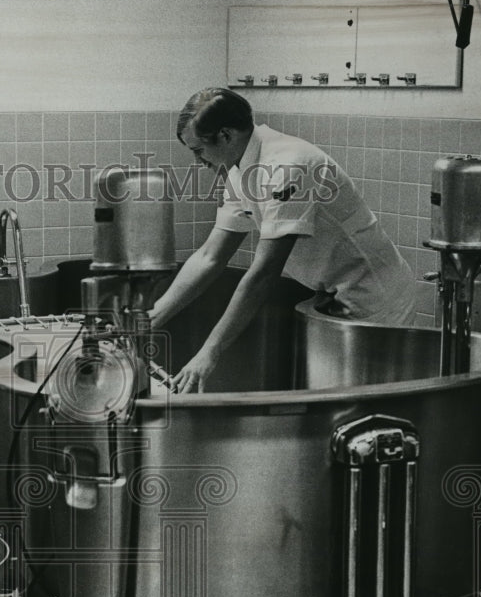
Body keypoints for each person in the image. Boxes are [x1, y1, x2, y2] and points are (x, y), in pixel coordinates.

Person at [150, 88, 417, 393]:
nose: (197, 160)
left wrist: (208, 354)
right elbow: (211, 256)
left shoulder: (287, 167)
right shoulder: (241, 170)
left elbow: (264, 273)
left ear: (225, 136)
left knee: (373, 405)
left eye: (198, 150)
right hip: (334, 295)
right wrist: (152, 318)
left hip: (377, 300)